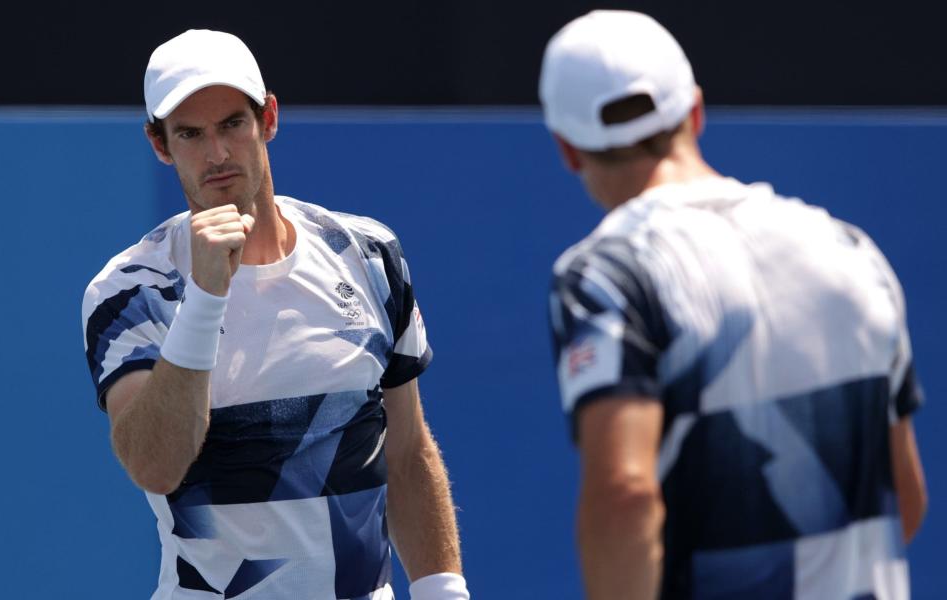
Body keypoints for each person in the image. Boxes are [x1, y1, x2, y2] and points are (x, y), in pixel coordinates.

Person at [539, 10, 927, 600]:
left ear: (568, 150)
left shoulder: (605, 275)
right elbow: (905, 496)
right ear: (694, 112)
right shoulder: (853, 252)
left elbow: (626, 493)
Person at [81, 29, 469, 600]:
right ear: (160, 145)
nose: (216, 155)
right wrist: (206, 298)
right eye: (190, 134)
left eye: (232, 124)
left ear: (268, 119)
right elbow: (155, 465)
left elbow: (408, 452)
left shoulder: (368, 254)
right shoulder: (130, 290)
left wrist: (443, 592)